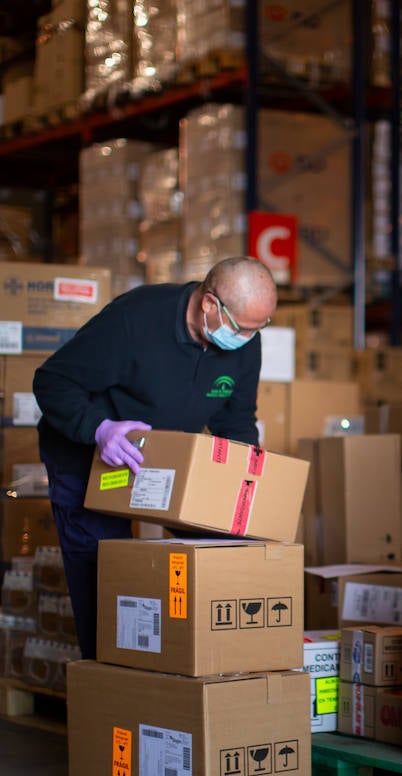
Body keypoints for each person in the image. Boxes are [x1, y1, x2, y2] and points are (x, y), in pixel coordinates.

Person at [33, 256, 278, 658]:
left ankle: (196, 666)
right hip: (94, 455)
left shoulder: (243, 340)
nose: (249, 338)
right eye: (242, 329)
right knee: (106, 574)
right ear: (209, 305)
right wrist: (99, 428)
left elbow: (236, 422)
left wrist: (245, 483)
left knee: (221, 548)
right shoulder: (135, 321)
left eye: (258, 329)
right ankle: (113, 682)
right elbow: (52, 381)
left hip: (165, 457)